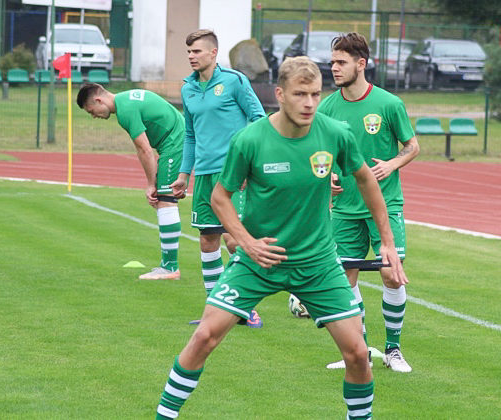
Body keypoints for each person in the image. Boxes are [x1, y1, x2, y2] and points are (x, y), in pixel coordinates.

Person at [155, 56, 408, 420]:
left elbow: (366, 179)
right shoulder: (250, 140)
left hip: (318, 263)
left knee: (357, 353)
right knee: (205, 336)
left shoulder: (335, 134)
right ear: (280, 94)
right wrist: (245, 241)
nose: (309, 103)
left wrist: (386, 241)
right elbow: (220, 197)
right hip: (259, 262)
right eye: (300, 94)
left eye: (316, 94)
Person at [318, 33, 420, 373]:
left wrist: (392, 164)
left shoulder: (389, 104)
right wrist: (328, 176)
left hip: (384, 206)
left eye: (340, 62)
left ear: (361, 64)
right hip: (344, 209)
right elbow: (321, 153)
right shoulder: (327, 107)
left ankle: (393, 349)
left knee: (392, 276)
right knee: (344, 279)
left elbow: (412, 146)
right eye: (332, 62)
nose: (333, 68)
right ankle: (360, 351)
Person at [170, 29, 265, 327]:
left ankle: (246, 307)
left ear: (213, 53)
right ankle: (216, 311)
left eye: (196, 51)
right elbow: (190, 135)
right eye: (188, 52)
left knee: (236, 241)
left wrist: (249, 164)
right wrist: (184, 174)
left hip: (232, 173)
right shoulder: (187, 89)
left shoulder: (234, 81)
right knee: (208, 240)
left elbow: (258, 119)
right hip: (204, 176)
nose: (191, 56)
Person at [76, 83, 184, 280]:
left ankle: (170, 267)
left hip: (175, 141)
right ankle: (169, 265)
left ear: (99, 100)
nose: (94, 116)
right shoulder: (127, 99)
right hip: (176, 138)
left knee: (165, 199)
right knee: (165, 197)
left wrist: (151, 184)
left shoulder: (125, 110)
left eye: (92, 111)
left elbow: (144, 149)